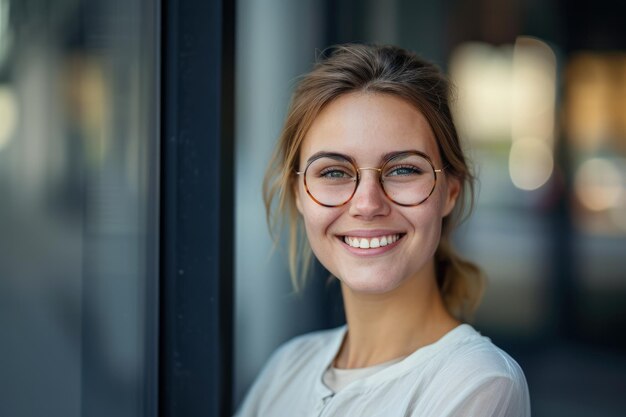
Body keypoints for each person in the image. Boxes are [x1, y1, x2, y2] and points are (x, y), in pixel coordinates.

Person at [236, 43, 530, 417]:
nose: (368, 204)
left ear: (450, 191)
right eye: (334, 172)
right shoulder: (287, 367)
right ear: (299, 194)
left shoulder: (477, 383)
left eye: (404, 169)